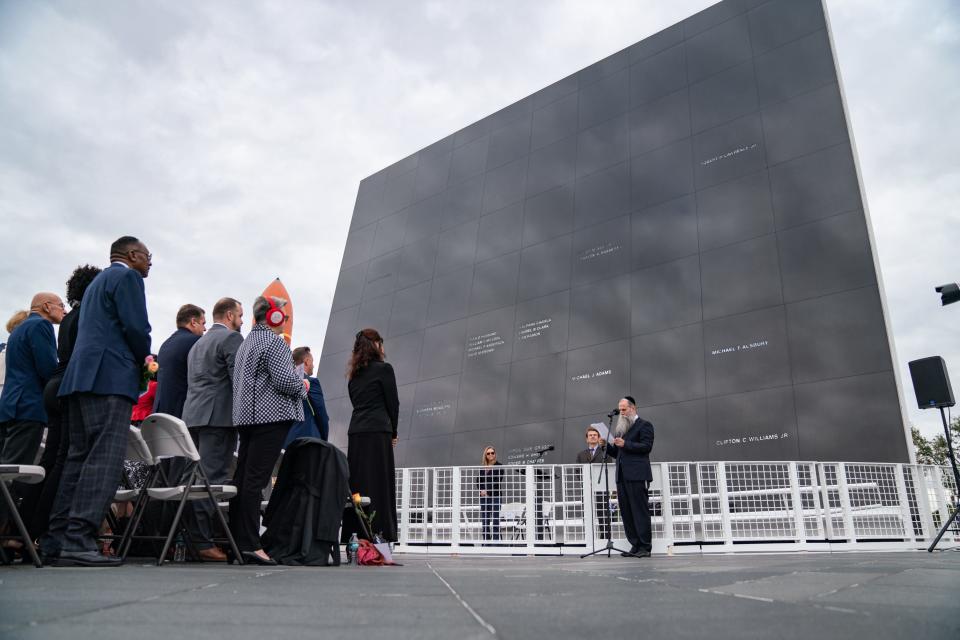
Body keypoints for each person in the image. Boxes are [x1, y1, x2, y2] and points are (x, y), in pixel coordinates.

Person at [47, 236, 152, 567]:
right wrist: (145, 361)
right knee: (103, 459)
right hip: (109, 378)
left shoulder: (95, 285)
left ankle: (59, 539)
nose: (150, 263)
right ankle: (79, 539)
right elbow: (136, 328)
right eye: (148, 257)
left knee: (78, 459)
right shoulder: (127, 277)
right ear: (133, 255)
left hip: (80, 379)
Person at [23, 266, 102, 545]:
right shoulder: (87, 316)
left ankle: (28, 526)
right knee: (65, 461)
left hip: (53, 387)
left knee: (52, 461)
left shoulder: (68, 319)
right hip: (69, 385)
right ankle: (43, 528)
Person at [230, 295, 306, 565]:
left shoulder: (246, 344)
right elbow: (286, 381)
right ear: (273, 316)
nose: (284, 319)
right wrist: (303, 385)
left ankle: (237, 542)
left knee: (242, 481)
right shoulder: (275, 343)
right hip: (269, 419)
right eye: (282, 314)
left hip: (245, 418)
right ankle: (251, 544)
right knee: (255, 481)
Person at [180, 297, 244, 562]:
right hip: (218, 418)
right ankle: (204, 543)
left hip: (192, 416)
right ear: (229, 315)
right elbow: (239, 381)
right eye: (240, 316)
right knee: (212, 479)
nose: (241, 321)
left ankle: (197, 539)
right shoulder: (231, 339)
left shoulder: (198, 344)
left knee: (196, 480)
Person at [0, 294, 64, 544]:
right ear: (47, 307)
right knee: (12, 477)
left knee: (5, 471)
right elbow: (48, 368)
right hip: (28, 408)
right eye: (60, 305)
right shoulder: (41, 325)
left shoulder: (19, 328)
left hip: (10, 406)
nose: (63, 309)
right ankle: (5, 535)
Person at [340, 328, 399, 544]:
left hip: (356, 433)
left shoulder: (353, 376)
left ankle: (355, 536)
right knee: (380, 484)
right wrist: (394, 431)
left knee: (358, 484)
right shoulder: (385, 370)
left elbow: (356, 403)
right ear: (376, 345)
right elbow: (393, 403)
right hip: (378, 432)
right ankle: (380, 536)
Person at [605, 396, 655, 558]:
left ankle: (645, 547)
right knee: (626, 512)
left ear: (633, 408)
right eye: (620, 410)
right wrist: (606, 446)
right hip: (622, 475)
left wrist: (626, 444)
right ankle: (635, 545)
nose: (622, 412)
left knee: (639, 511)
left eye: (624, 409)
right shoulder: (622, 429)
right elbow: (618, 453)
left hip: (637, 474)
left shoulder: (644, 425)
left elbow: (646, 447)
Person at [153, 304, 206, 418]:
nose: (205, 329)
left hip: (160, 411)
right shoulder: (196, 342)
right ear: (193, 322)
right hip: (181, 414)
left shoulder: (165, 344)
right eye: (203, 323)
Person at [283, 346, 330, 448]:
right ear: (307, 361)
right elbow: (321, 414)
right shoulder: (312, 382)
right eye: (312, 361)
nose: (313, 365)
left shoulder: (283, 383)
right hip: (307, 440)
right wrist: (324, 440)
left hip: (285, 441)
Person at [478, 446, 503, 542]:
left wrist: (487, 491)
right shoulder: (482, 467)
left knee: (496, 520)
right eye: (488, 453)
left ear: (495, 454)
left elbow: (497, 480)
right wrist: (482, 491)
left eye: (492, 453)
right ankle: (486, 543)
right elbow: (478, 480)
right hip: (484, 497)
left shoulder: (499, 466)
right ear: (485, 455)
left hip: (495, 496)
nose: (491, 454)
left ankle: (496, 543)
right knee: (485, 521)